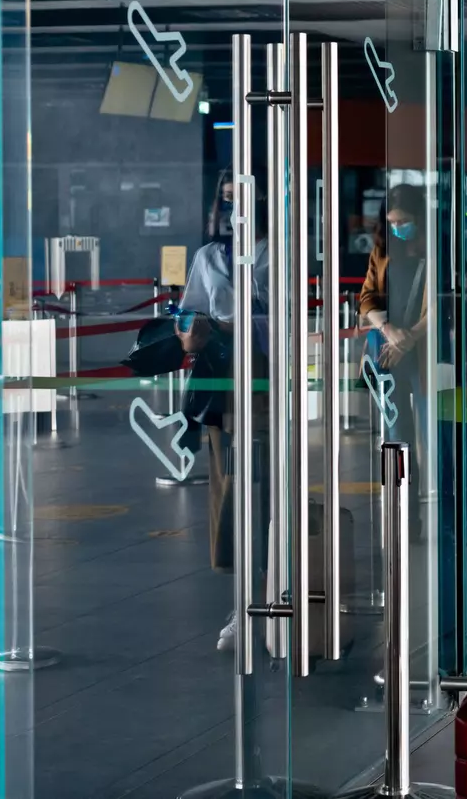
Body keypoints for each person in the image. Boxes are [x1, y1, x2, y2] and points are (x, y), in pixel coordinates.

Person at [357, 185, 467, 547]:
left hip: (431, 354)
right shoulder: (382, 250)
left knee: (448, 439)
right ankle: (406, 520)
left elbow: (446, 300)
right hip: (390, 356)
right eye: (392, 222)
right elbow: (368, 297)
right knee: (397, 439)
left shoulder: (441, 249)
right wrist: (390, 332)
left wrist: (410, 338)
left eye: (404, 221)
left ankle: (466, 521)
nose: (398, 228)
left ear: (420, 217)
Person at [176, 169, 270, 652]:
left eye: (244, 198)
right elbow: (188, 310)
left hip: (268, 377)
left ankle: (277, 592)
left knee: (272, 484)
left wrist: (243, 323)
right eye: (229, 199)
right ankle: (244, 602)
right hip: (223, 380)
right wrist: (191, 332)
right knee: (231, 484)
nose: (236, 209)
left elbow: (289, 314)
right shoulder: (209, 256)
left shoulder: (279, 251)